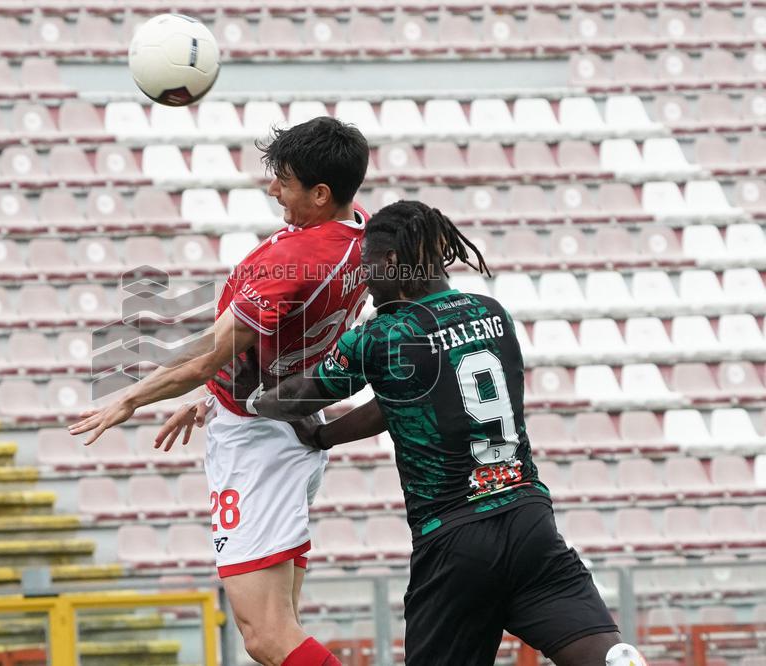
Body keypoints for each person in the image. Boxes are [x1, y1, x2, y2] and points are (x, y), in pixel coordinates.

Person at [211, 200, 646, 666]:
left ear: (394, 263)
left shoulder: (386, 334)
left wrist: (248, 392)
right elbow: (399, 403)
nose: (366, 282)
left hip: (453, 537)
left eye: (370, 268)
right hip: (530, 520)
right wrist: (324, 438)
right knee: (595, 651)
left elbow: (301, 396)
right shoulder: (492, 314)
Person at [69, 116, 371, 666]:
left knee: (265, 636)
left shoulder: (294, 260)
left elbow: (212, 351)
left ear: (322, 193)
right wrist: (214, 392)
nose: (272, 189)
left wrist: (131, 396)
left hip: (257, 442)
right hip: (284, 419)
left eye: (284, 181)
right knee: (284, 625)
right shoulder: (360, 235)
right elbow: (287, 340)